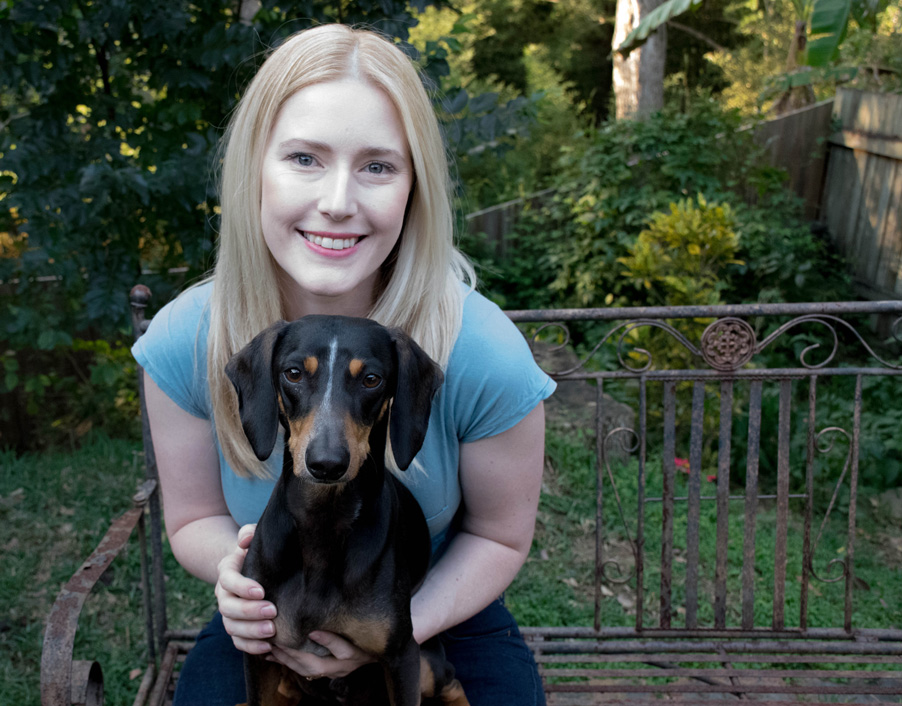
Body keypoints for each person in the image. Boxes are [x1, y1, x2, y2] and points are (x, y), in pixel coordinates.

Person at [132, 23, 555, 706]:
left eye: (378, 166)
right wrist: (240, 588)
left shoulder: (480, 347)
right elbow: (191, 521)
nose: (337, 200)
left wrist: (386, 630)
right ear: (254, 172)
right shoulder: (191, 337)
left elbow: (499, 536)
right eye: (304, 158)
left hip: (437, 606)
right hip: (272, 608)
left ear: (414, 187)